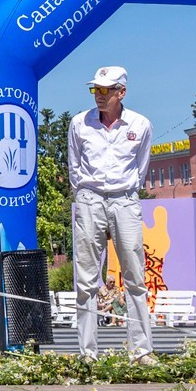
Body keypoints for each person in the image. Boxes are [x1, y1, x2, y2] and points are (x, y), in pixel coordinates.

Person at [67, 66, 155, 361]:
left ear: (122, 92)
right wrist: (83, 194)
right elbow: (74, 166)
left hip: (124, 199)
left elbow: (141, 168)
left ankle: (141, 351)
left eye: (106, 90)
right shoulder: (79, 123)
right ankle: (87, 353)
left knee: (135, 277)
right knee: (86, 279)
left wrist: (126, 194)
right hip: (90, 199)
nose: (100, 96)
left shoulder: (141, 124)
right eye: (96, 90)